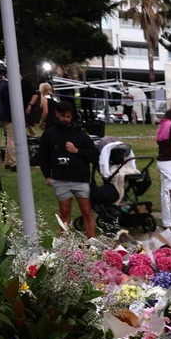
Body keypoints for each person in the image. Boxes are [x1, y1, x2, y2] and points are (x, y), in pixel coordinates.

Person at [38, 100, 96, 238]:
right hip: (61, 179)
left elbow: (94, 154)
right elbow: (43, 156)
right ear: (57, 114)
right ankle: (66, 248)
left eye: (68, 116)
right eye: (63, 116)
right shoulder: (49, 134)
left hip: (80, 178)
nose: (66, 119)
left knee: (87, 211)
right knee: (64, 213)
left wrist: (77, 151)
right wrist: (47, 176)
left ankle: (93, 243)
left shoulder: (80, 134)